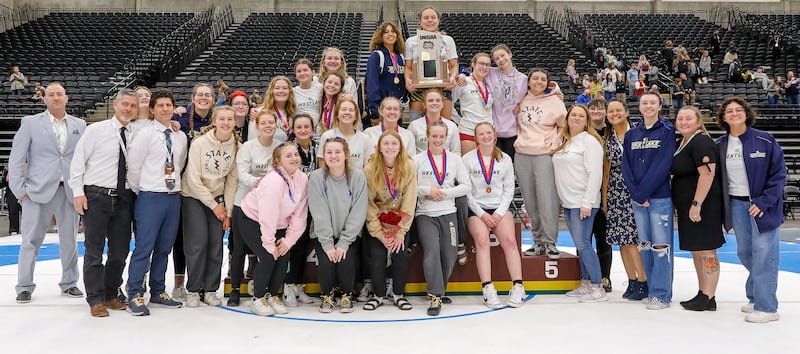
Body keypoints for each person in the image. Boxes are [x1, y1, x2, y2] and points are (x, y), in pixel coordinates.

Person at [9, 82, 86, 303]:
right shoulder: (30, 123)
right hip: (37, 191)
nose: (55, 98)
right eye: (51, 94)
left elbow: (84, 158)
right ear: (44, 99)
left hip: (69, 191)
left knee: (70, 240)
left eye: (59, 94)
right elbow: (16, 158)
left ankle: (69, 283)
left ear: (66, 98)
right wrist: (19, 190)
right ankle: (24, 286)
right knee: (30, 240)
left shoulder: (80, 125)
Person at [715, 97, 786, 323]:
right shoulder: (720, 145)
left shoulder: (765, 140)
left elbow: (779, 175)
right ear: (723, 117)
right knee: (745, 252)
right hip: (736, 205)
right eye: (729, 111)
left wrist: (763, 202)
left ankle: (767, 308)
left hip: (763, 206)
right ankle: (755, 296)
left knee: (764, 254)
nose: (734, 114)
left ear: (746, 113)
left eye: (738, 110)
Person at [67, 88, 136, 317]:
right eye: (124, 104)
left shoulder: (136, 132)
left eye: (133, 106)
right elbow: (78, 163)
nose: (128, 109)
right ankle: (95, 299)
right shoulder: (96, 130)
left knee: (120, 251)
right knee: (94, 251)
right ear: (115, 105)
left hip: (124, 198)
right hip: (97, 196)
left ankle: (110, 293)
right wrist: (78, 192)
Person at [125, 88, 189, 316]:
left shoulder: (179, 136)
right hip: (150, 196)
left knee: (164, 248)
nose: (165, 109)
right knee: (144, 248)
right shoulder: (144, 134)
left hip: (173, 197)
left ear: (173, 108)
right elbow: (133, 167)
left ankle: (159, 291)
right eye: (160, 105)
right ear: (152, 109)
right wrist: (143, 190)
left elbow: (179, 163)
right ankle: (134, 293)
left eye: (168, 105)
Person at [238, 142, 309, 316]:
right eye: (288, 155)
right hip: (253, 219)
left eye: (296, 154)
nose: (294, 158)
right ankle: (258, 298)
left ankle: (272, 294)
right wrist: (269, 243)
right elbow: (267, 214)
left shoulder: (302, 178)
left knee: (284, 257)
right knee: (268, 257)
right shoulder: (274, 180)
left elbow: (300, 214)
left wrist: (288, 241)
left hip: (279, 223)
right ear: (278, 161)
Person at [622, 92, 677, 310]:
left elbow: (662, 167)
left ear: (659, 106)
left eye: (652, 102)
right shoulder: (631, 134)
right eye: (644, 102)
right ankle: (652, 289)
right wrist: (636, 194)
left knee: (661, 247)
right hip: (638, 200)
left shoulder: (667, 132)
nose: (648, 106)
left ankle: (661, 295)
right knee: (645, 246)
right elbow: (626, 166)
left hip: (659, 198)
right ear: (640, 106)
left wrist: (643, 193)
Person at [462, 122, 526, 308]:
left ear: (495, 135)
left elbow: (508, 190)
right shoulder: (467, 160)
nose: (486, 137)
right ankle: (488, 288)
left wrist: (498, 214)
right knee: (482, 240)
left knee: (509, 240)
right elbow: (467, 192)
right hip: (476, 209)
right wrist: (482, 214)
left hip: (499, 208)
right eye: (481, 134)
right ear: (475, 138)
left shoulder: (505, 159)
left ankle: (518, 286)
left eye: (488, 133)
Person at [180, 106, 239, 308]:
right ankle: (194, 289)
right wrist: (214, 206)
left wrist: (228, 212)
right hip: (194, 197)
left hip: (218, 199)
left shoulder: (236, 146)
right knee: (197, 244)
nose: (226, 123)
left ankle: (211, 289)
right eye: (222, 119)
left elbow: (232, 182)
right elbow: (193, 180)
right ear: (214, 120)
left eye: (230, 119)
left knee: (215, 245)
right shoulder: (199, 143)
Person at [413, 122, 471, 316]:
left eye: (441, 137)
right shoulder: (417, 159)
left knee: (450, 253)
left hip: (448, 211)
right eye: (434, 136)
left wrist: (444, 193)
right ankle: (435, 294)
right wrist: (427, 191)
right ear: (427, 137)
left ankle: (440, 287)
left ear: (446, 138)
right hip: (425, 214)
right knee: (432, 251)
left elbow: (465, 186)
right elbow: (409, 186)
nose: (438, 140)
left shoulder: (454, 159)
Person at [671, 106, 725, 312]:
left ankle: (710, 295)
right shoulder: (682, 142)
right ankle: (703, 292)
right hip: (688, 205)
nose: (684, 122)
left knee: (707, 250)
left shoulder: (701, 141)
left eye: (688, 118)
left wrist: (697, 204)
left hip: (703, 205)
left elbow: (707, 175)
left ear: (698, 121)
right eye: (680, 118)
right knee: (696, 250)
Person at [553, 105, 607, 303]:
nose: (576, 118)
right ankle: (586, 283)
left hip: (583, 202)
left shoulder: (589, 141)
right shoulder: (566, 142)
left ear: (587, 121)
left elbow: (595, 173)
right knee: (580, 244)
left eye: (581, 116)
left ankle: (597, 286)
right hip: (568, 202)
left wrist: (587, 202)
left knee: (584, 244)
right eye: (573, 114)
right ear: (567, 118)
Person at [227, 110, 280, 307]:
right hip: (244, 203)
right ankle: (234, 290)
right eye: (263, 123)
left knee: (264, 248)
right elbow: (243, 175)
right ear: (257, 126)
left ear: (276, 125)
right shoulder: (248, 147)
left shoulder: (279, 147)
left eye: (271, 122)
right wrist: (263, 182)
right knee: (239, 249)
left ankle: (264, 288)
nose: (267, 126)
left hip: (269, 206)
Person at [309, 138, 368, 313]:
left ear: (346, 155)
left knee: (346, 261)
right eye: (329, 152)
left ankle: (347, 295)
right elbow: (319, 212)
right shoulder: (316, 178)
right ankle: (327, 295)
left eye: (337, 152)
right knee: (327, 263)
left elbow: (359, 210)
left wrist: (344, 242)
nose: (333, 156)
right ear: (324, 156)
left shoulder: (358, 177)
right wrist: (327, 244)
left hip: (348, 234)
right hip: (323, 234)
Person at [363, 131, 417, 311]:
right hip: (377, 217)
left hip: (400, 218)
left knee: (400, 253)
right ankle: (378, 295)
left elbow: (409, 201)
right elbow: (368, 203)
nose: (390, 147)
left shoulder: (409, 166)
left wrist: (399, 232)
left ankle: (398, 294)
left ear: (400, 147)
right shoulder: (370, 168)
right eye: (385, 144)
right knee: (377, 257)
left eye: (394, 143)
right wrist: (379, 233)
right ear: (379, 148)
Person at [515, 69, 566, 259]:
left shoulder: (555, 101)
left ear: (548, 82)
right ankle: (537, 242)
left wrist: (554, 145)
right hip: (522, 155)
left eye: (543, 79)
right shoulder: (521, 98)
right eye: (535, 78)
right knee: (530, 202)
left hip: (544, 155)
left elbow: (564, 126)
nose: (539, 82)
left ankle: (550, 242)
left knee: (548, 200)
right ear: (528, 81)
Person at [171, 83, 214, 300]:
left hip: (208, 184)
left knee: (204, 239)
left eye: (208, 95)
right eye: (200, 95)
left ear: (213, 99)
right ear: (193, 97)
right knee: (180, 236)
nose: (204, 98)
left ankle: (205, 281)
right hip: (182, 184)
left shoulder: (216, 119)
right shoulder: (181, 116)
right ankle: (179, 283)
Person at [602, 100, 646, 300]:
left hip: (634, 191)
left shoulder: (637, 133)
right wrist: (605, 200)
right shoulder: (608, 137)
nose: (615, 113)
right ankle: (632, 280)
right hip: (615, 192)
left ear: (627, 112)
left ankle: (644, 281)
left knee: (633, 241)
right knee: (621, 241)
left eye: (619, 110)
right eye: (611, 111)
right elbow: (605, 172)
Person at [404, 6, 459, 121]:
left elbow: (453, 66)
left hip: (443, 88)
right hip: (419, 89)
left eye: (433, 17)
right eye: (426, 18)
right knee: (417, 126)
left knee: (444, 127)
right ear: (420, 21)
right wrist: (408, 80)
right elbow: (408, 68)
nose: (430, 20)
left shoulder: (447, 40)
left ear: (438, 20)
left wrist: (452, 78)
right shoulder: (411, 42)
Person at [587, 99, 613, 291]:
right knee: (584, 239)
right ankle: (586, 276)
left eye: (600, 108)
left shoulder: (613, 132)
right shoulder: (581, 132)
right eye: (593, 107)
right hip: (585, 192)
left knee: (603, 237)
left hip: (607, 192)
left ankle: (605, 276)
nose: (596, 110)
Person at [485, 44, 529, 159]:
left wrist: (556, 91)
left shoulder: (523, 79)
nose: (500, 60)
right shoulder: (490, 73)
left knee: (509, 166)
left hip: (512, 131)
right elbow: (473, 74)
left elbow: (536, 93)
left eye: (502, 55)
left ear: (510, 54)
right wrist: (461, 76)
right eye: (497, 58)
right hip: (493, 131)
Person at [365, 21, 407, 126]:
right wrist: (374, 112)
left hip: (396, 111)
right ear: (380, 36)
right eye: (386, 32)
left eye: (393, 31)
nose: (390, 34)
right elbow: (372, 84)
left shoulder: (400, 57)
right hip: (381, 111)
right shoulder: (376, 56)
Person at [451, 53, 494, 154]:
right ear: (473, 64)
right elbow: (449, 103)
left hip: (487, 133)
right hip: (468, 131)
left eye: (488, 65)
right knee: (468, 166)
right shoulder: (463, 82)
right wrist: (458, 120)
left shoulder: (490, 84)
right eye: (481, 63)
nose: (484, 67)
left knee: (486, 166)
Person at [317, 98, 373, 169]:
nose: (347, 112)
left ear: (356, 116)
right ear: (337, 114)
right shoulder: (327, 136)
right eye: (343, 109)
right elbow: (322, 164)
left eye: (351, 110)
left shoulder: (365, 139)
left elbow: (368, 167)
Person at [408, 89, 460, 155]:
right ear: (424, 104)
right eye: (430, 100)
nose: (434, 103)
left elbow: (456, 153)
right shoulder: (414, 126)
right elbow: (410, 155)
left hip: (446, 164)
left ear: (442, 104)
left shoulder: (452, 126)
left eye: (438, 100)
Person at [259, 76, 296, 143]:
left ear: (289, 92)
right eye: (277, 88)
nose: (281, 91)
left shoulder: (294, 113)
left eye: (285, 88)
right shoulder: (260, 112)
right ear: (271, 91)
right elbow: (252, 141)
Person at [293, 59, 322, 133]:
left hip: (319, 132)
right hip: (301, 132)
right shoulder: (292, 92)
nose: (302, 73)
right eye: (299, 71)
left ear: (313, 72)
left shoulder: (321, 89)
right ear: (296, 75)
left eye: (305, 70)